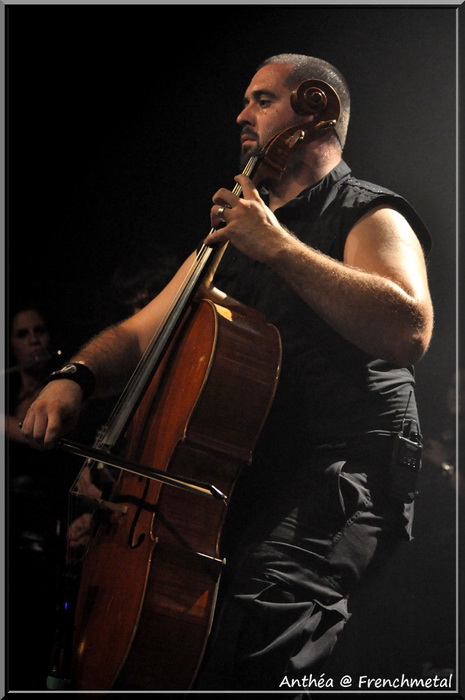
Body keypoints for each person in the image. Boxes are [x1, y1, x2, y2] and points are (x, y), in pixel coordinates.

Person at [21, 54, 434, 692]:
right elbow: (141, 333)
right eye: (245, 101)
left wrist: (278, 246)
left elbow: (409, 328)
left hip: (345, 467)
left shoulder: (367, 213)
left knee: (258, 617)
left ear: (318, 112)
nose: (242, 115)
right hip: (253, 476)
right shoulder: (237, 233)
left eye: (262, 100)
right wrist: (74, 376)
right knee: (193, 637)